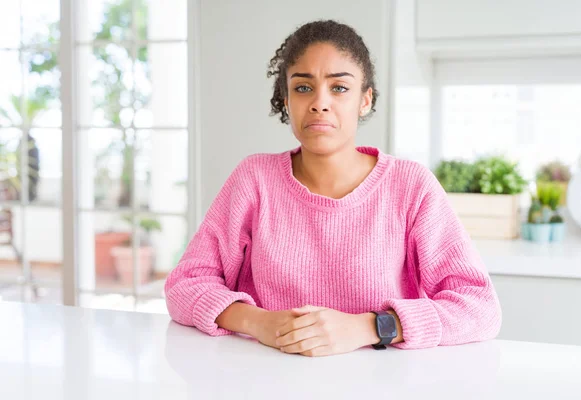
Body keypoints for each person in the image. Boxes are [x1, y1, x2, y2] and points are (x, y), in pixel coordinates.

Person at [165, 20, 502, 357]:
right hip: (265, 379)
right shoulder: (254, 179)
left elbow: (480, 307)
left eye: (339, 88)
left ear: (365, 100)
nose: (319, 103)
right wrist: (260, 322)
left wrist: (369, 327)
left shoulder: (411, 186)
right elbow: (185, 283)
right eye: (302, 88)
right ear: (285, 99)